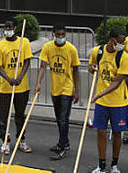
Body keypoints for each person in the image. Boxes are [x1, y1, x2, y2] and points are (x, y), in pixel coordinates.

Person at [89, 27, 128, 173]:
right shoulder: (98, 51)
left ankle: (114, 165)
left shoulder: (124, 57)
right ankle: (101, 164)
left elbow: (117, 82)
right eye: (121, 41)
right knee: (100, 131)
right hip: (102, 103)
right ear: (112, 40)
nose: (123, 44)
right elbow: (91, 65)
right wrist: (92, 67)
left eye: (124, 41)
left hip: (118, 102)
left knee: (117, 133)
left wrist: (99, 95)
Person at [35, 24, 80, 160]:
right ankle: (64, 142)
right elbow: (42, 66)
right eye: (58, 35)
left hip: (67, 88)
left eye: (63, 35)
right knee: (59, 119)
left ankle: (62, 147)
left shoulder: (71, 49)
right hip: (55, 88)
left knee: (63, 119)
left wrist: (76, 90)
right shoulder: (48, 47)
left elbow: (76, 70)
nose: (60, 37)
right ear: (53, 34)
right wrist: (38, 82)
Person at [0, 19, 34, 154]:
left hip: (22, 87)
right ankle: (4, 141)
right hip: (5, 88)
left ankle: (21, 140)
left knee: (20, 116)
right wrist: (8, 79)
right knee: (4, 116)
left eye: (9, 27)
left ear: (15, 28)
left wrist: (20, 77)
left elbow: (27, 61)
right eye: (5, 27)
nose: (7, 29)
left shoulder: (24, 42)